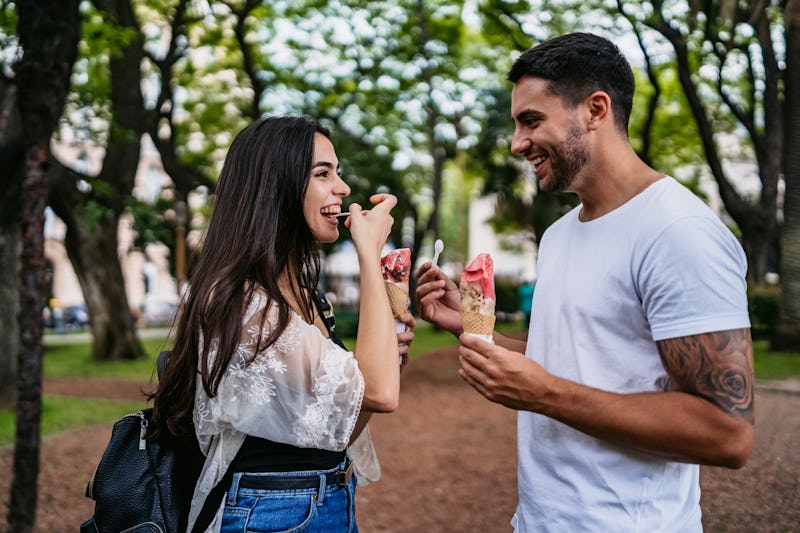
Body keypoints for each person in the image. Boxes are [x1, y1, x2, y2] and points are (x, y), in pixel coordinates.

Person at [416, 32, 754, 532]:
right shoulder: (558, 235)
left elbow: (728, 435)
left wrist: (544, 394)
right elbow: (572, 359)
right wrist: (467, 326)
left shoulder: (678, 233)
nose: (517, 144)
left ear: (595, 109)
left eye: (531, 121)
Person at [151, 115, 415, 533]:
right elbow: (382, 395)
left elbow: (338, 432)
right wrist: (369, 251)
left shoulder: (307, 296)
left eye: (338, 173)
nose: (343, 189)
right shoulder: (241, 301)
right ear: (277, 186)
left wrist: (381, 359)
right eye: (323, 173)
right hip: (269, 513)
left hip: (330, 500)